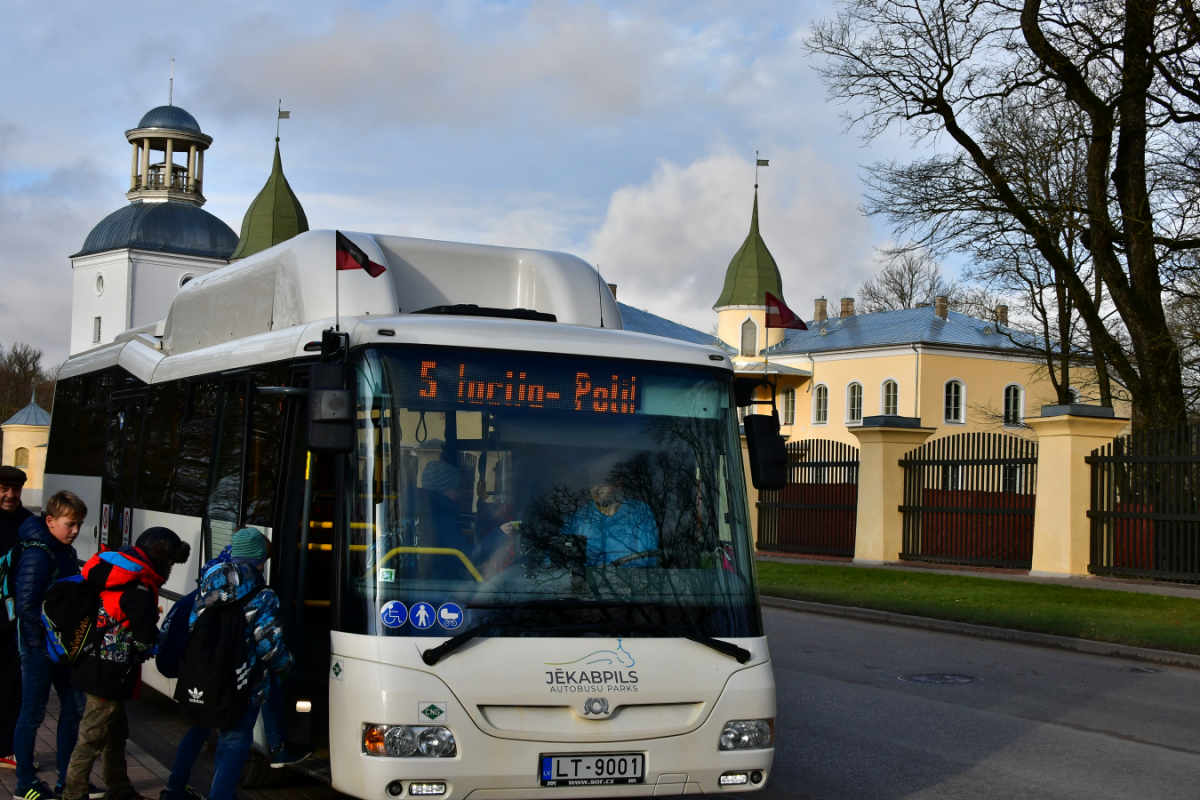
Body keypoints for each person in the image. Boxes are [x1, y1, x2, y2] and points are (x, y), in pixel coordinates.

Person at [161, 528, 295, 800]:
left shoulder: (207, 586)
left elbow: (192, 626)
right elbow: (269, 648)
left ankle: (174, 789)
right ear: (260, 557)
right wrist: (289, 665)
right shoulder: (263, 594)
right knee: (233, 743)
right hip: (243, 683)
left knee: (198, 727)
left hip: (205, 676)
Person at [62, 527, 191, 800]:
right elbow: (144, 638)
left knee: (115, 733)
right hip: (110, 674)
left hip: (93, 665)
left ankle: (119, 788)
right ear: (160, 555)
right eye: (169, 562)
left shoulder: (118, 575)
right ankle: (74, 794)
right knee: (92, 737)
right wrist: (154, 640)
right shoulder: (140, 589)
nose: (168, 568)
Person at [12, 490, 97, 800]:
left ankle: (68, 779)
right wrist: (55, 634)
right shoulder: (38, 554)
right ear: (50, 521)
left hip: (63, 649)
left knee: (73, 707)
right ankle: (25, 784)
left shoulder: (65, 551)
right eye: (70, 524)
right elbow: (27, 607)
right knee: (33, 713)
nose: (75, 531)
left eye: (79, 525)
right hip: (38, 647)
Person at [563, 459, 659, 568]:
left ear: (618, 482)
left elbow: (648, 559)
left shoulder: (641, 512)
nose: (595, 488)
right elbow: (564, 558)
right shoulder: (578, 518)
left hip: (631, 582)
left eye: (600, 481)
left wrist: (614, 571)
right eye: (592, 482)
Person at [0, 466, 33, 769]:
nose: (10, 495)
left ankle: (5, 746)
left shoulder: (28, 524)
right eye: (4, 489)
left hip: (14, 619)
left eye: (16, 490)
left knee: (11, 683)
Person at [415, 461, 474, 580]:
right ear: (443, 489)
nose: (458, 494)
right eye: (455, 489)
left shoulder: (410, 509)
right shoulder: (442, 517)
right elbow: (465, 558)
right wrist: (499, 535)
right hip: (438, 589)